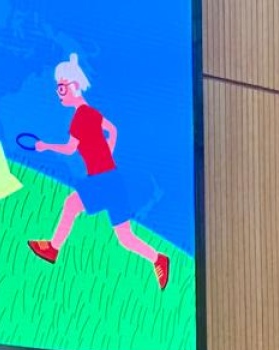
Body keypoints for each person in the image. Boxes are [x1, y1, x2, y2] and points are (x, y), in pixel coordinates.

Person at [24, 53, 171, 290]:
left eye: (61, 88)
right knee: (124, 237)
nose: (58, 93)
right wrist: (108, 151)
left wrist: (45, 146)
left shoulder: (80, 117)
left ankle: (52, 248)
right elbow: (113, 130)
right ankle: (158, 259)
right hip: (112, 179)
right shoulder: (92, 112)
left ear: (74, 86)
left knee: (71, 205)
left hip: (103, 180)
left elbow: (70, 149)